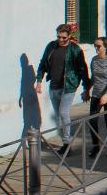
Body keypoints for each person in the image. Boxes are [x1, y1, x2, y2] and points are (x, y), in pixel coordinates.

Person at [34, 23, 89, 151]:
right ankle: (65, 141)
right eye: (59, 37)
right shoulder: (51, 46)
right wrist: (39, 81)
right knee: (58, 115)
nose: (61, 40)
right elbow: (43, 63)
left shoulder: (75, 49)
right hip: (54, 85)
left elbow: (83, 69)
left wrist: (86, 88)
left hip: (68, 86)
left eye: (64, 37)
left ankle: (67, 143)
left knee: (64, 113)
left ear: (69, 36)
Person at [86, 36, 107, 156]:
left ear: (105, 47)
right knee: (92, 120)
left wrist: (106, 94)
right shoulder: (94, 60)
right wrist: (87, 90)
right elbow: (93, 77)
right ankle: (96, 145)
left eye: (99, 46)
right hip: (96, 94)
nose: (96, 48)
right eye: (95, 46)